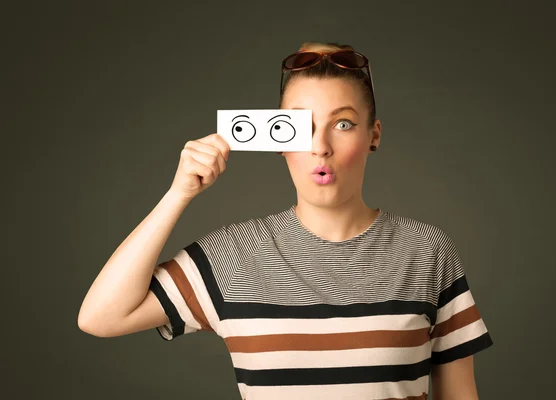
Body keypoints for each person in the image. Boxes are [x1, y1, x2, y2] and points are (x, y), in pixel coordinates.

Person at [78, 41, 493, 400]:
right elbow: (100, 317)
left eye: (343, 124)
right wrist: (178, 194)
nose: (321, 147)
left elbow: (459, 394)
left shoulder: (427, 251)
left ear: (374, 135)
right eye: (300, 126)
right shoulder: (233, 257)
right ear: (276, 139)